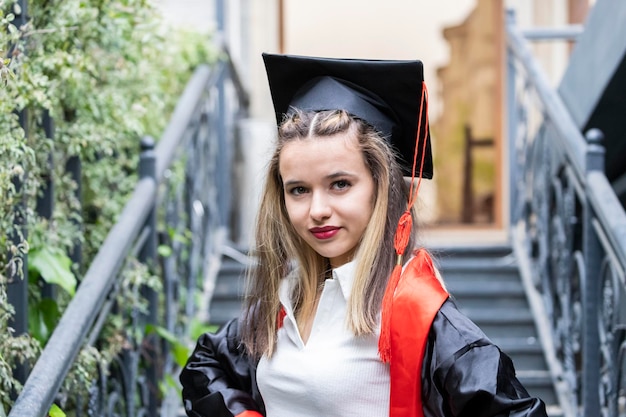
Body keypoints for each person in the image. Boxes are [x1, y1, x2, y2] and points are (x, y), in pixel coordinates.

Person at [179, 53, 548, 417]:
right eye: (298, 189)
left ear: (381, 187)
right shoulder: (285, 299)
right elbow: (204, 366)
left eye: (340, 184)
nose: (317, 209)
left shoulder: (415, 312)